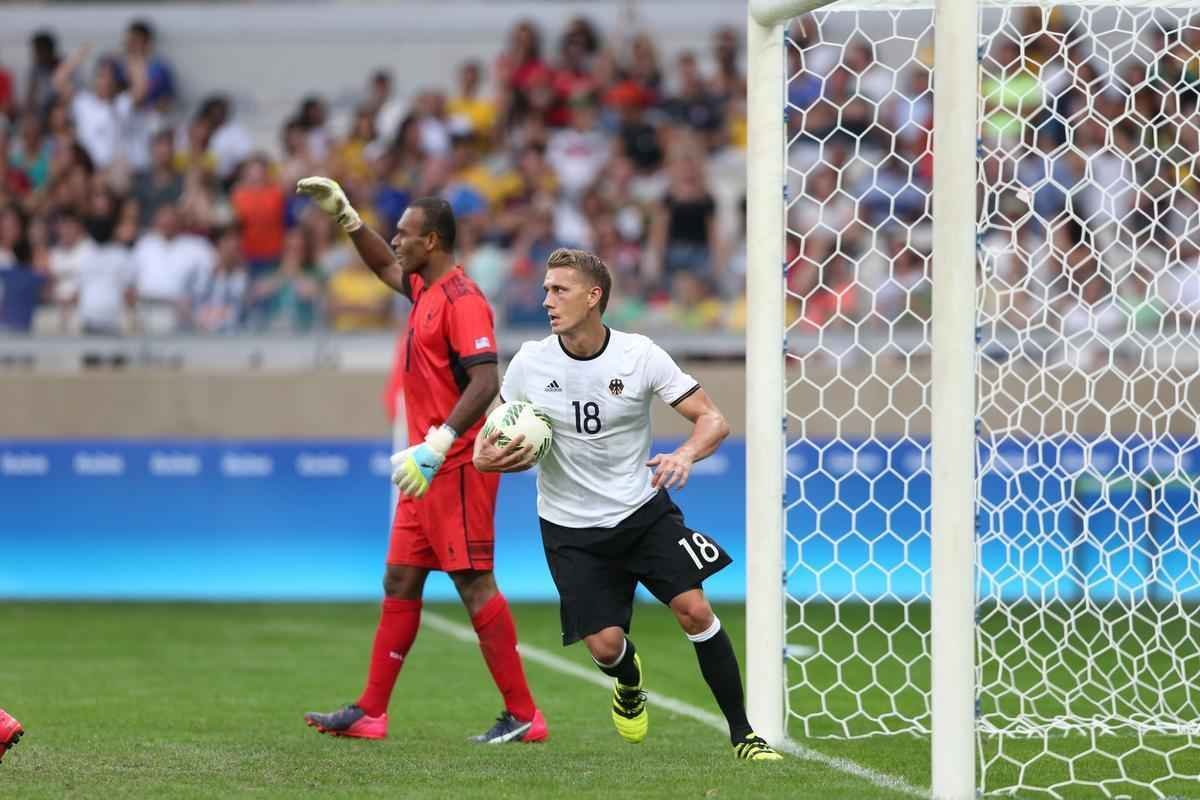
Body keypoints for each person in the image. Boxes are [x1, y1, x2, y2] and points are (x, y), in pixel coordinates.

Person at [473, 248, 782, 761]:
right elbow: (495, 432)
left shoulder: (640, 355)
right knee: (606, 646)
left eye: (559, 290)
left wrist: (684, 455)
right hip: (569, 528)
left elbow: (713, 419)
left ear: (594, 297)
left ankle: (743, 734)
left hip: (642, 511)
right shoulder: (530, 361)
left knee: (694, 609)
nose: (546, 299)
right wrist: (487, 455)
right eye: (546, 289)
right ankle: (627, 679)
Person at [296, 177, 547, 744]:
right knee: (400, 578)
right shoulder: (423, 290)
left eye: (405, 234)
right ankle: (371, 712)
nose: (397, 241)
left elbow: (487, 380)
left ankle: (526, 715)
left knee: (474, 583)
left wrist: (439, 443)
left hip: (454, 463)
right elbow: (386, 268)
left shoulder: (463, 301)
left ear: (431, 241)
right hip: (424, 469)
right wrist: (347, 219)